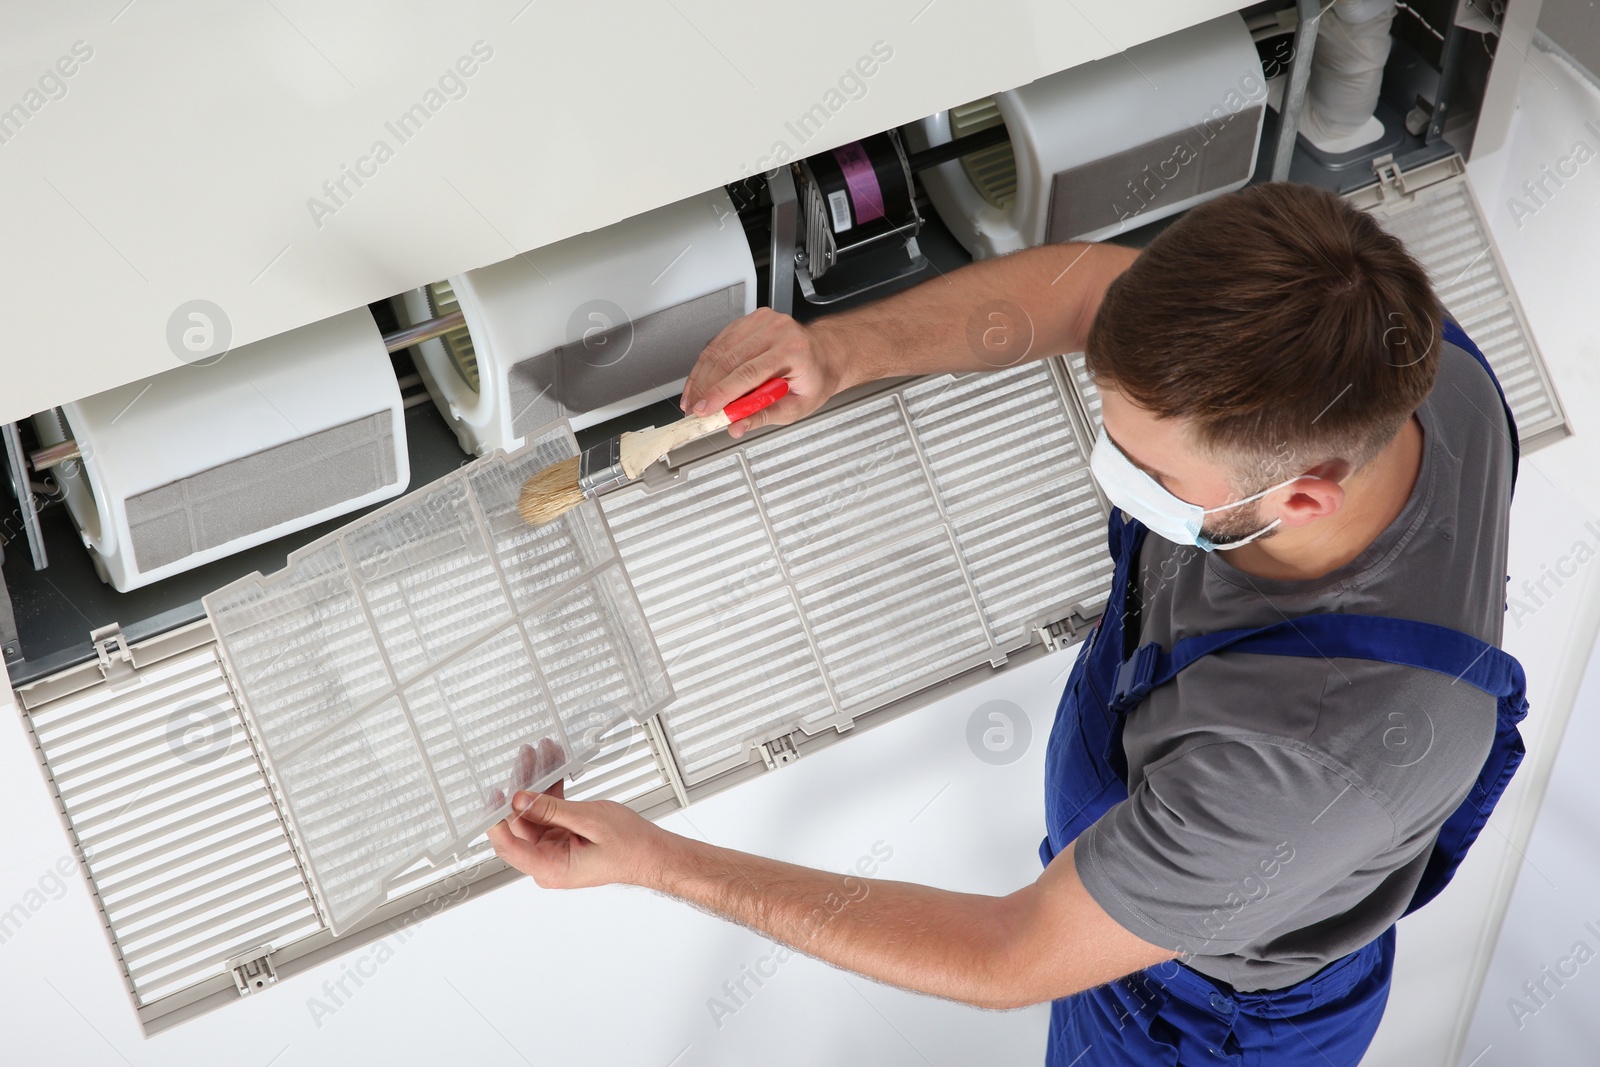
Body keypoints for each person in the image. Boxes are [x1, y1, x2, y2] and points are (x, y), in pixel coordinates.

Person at [487, 181, 1528, 1065]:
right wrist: (839, 352)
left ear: (1302, 496)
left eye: (1152, 472)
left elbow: (1007, 950)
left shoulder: (1305, 760)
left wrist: (657, 859)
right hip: (1193, 830)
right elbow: (1089, 292)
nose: (1116, 479)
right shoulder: (1372, 342)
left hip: (1191, 1016)